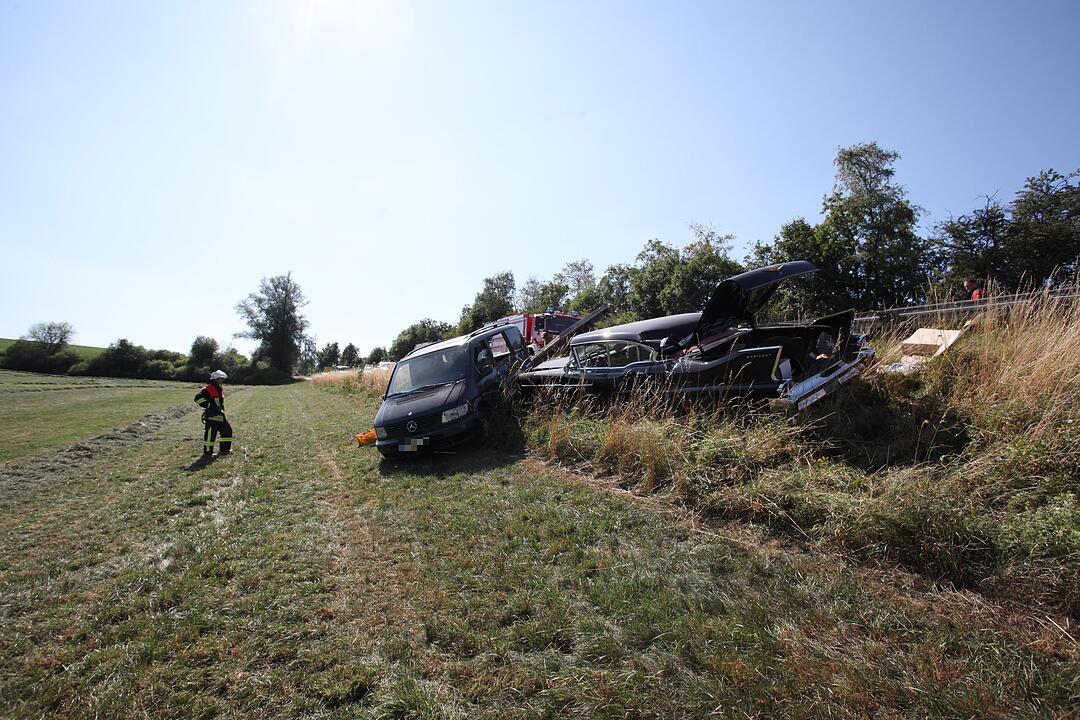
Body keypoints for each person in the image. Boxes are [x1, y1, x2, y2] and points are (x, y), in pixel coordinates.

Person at [195, 370, 232, 457]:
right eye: (221, 379)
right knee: (210, 435)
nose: (222, 380)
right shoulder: (208, 389)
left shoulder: (218, 388)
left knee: (227, 430)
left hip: (219, 415)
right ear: (215, 379)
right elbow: (197, 398)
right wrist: (210, 406)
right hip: (211, 416)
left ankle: (224, 450)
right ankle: (208, 453)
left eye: (223, 379)